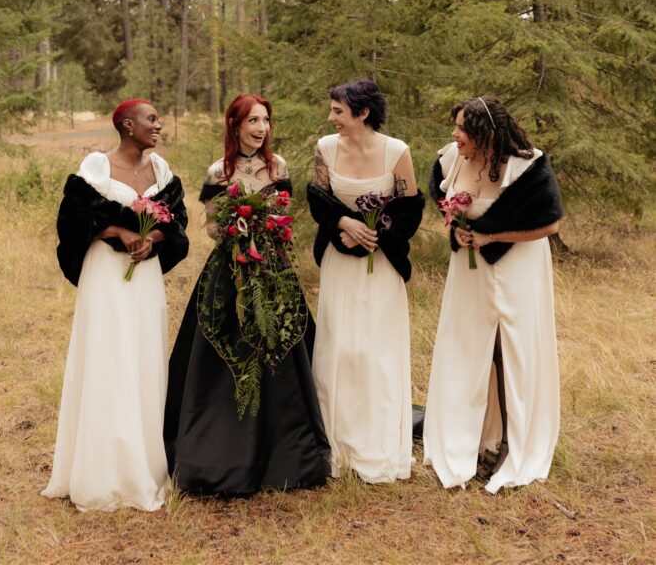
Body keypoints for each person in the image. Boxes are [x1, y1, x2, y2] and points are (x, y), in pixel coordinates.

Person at [163, 93, 330, 496]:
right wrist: (240, 230)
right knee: (223, 354)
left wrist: (264, 229)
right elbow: (212, 228)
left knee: (281, 348)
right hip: (228, 270)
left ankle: (287, 452)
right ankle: (220, 450)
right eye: (253, 121)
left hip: (272, 267)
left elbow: (285, 215)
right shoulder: (218, 170)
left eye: (266, 121)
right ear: (235, 125)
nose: (261, 129)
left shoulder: (279, 166)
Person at [42, 99, 189, 512]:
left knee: (142, 360)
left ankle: (143, 465)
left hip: (143, 278)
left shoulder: (161, 171)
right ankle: (101, 470)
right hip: (106, 274)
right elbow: (72, 219)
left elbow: (176, 223)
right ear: (127, 125)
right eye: (151, 119)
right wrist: (119, 231)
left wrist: (152, 239)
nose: (158, 125)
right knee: (108, 358)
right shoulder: (97, 166)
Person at [423, 96, 563, 494]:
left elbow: (549, 224)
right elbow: (441, 199)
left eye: (463, 129)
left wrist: (490, 235)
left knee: (509, 349)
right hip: (469, 273)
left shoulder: (526, 164)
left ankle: (513, 443)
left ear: (486, 133)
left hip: (517, 269)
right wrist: (458, 230)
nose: (455, 135)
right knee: (469, 347)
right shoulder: (451, 158)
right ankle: (469, 436)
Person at [307, 79, 425, 483]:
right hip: (339, 260)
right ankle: (336, 447)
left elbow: (410, 208)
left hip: (382, 262)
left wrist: (375, 238)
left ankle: (379, 446)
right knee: (340, 347)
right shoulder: (325, 149)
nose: (331, 118)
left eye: (338, 111)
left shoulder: (397, 152)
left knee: (376, 349)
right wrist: (344, 224)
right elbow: (317, 198)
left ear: (362, 113)